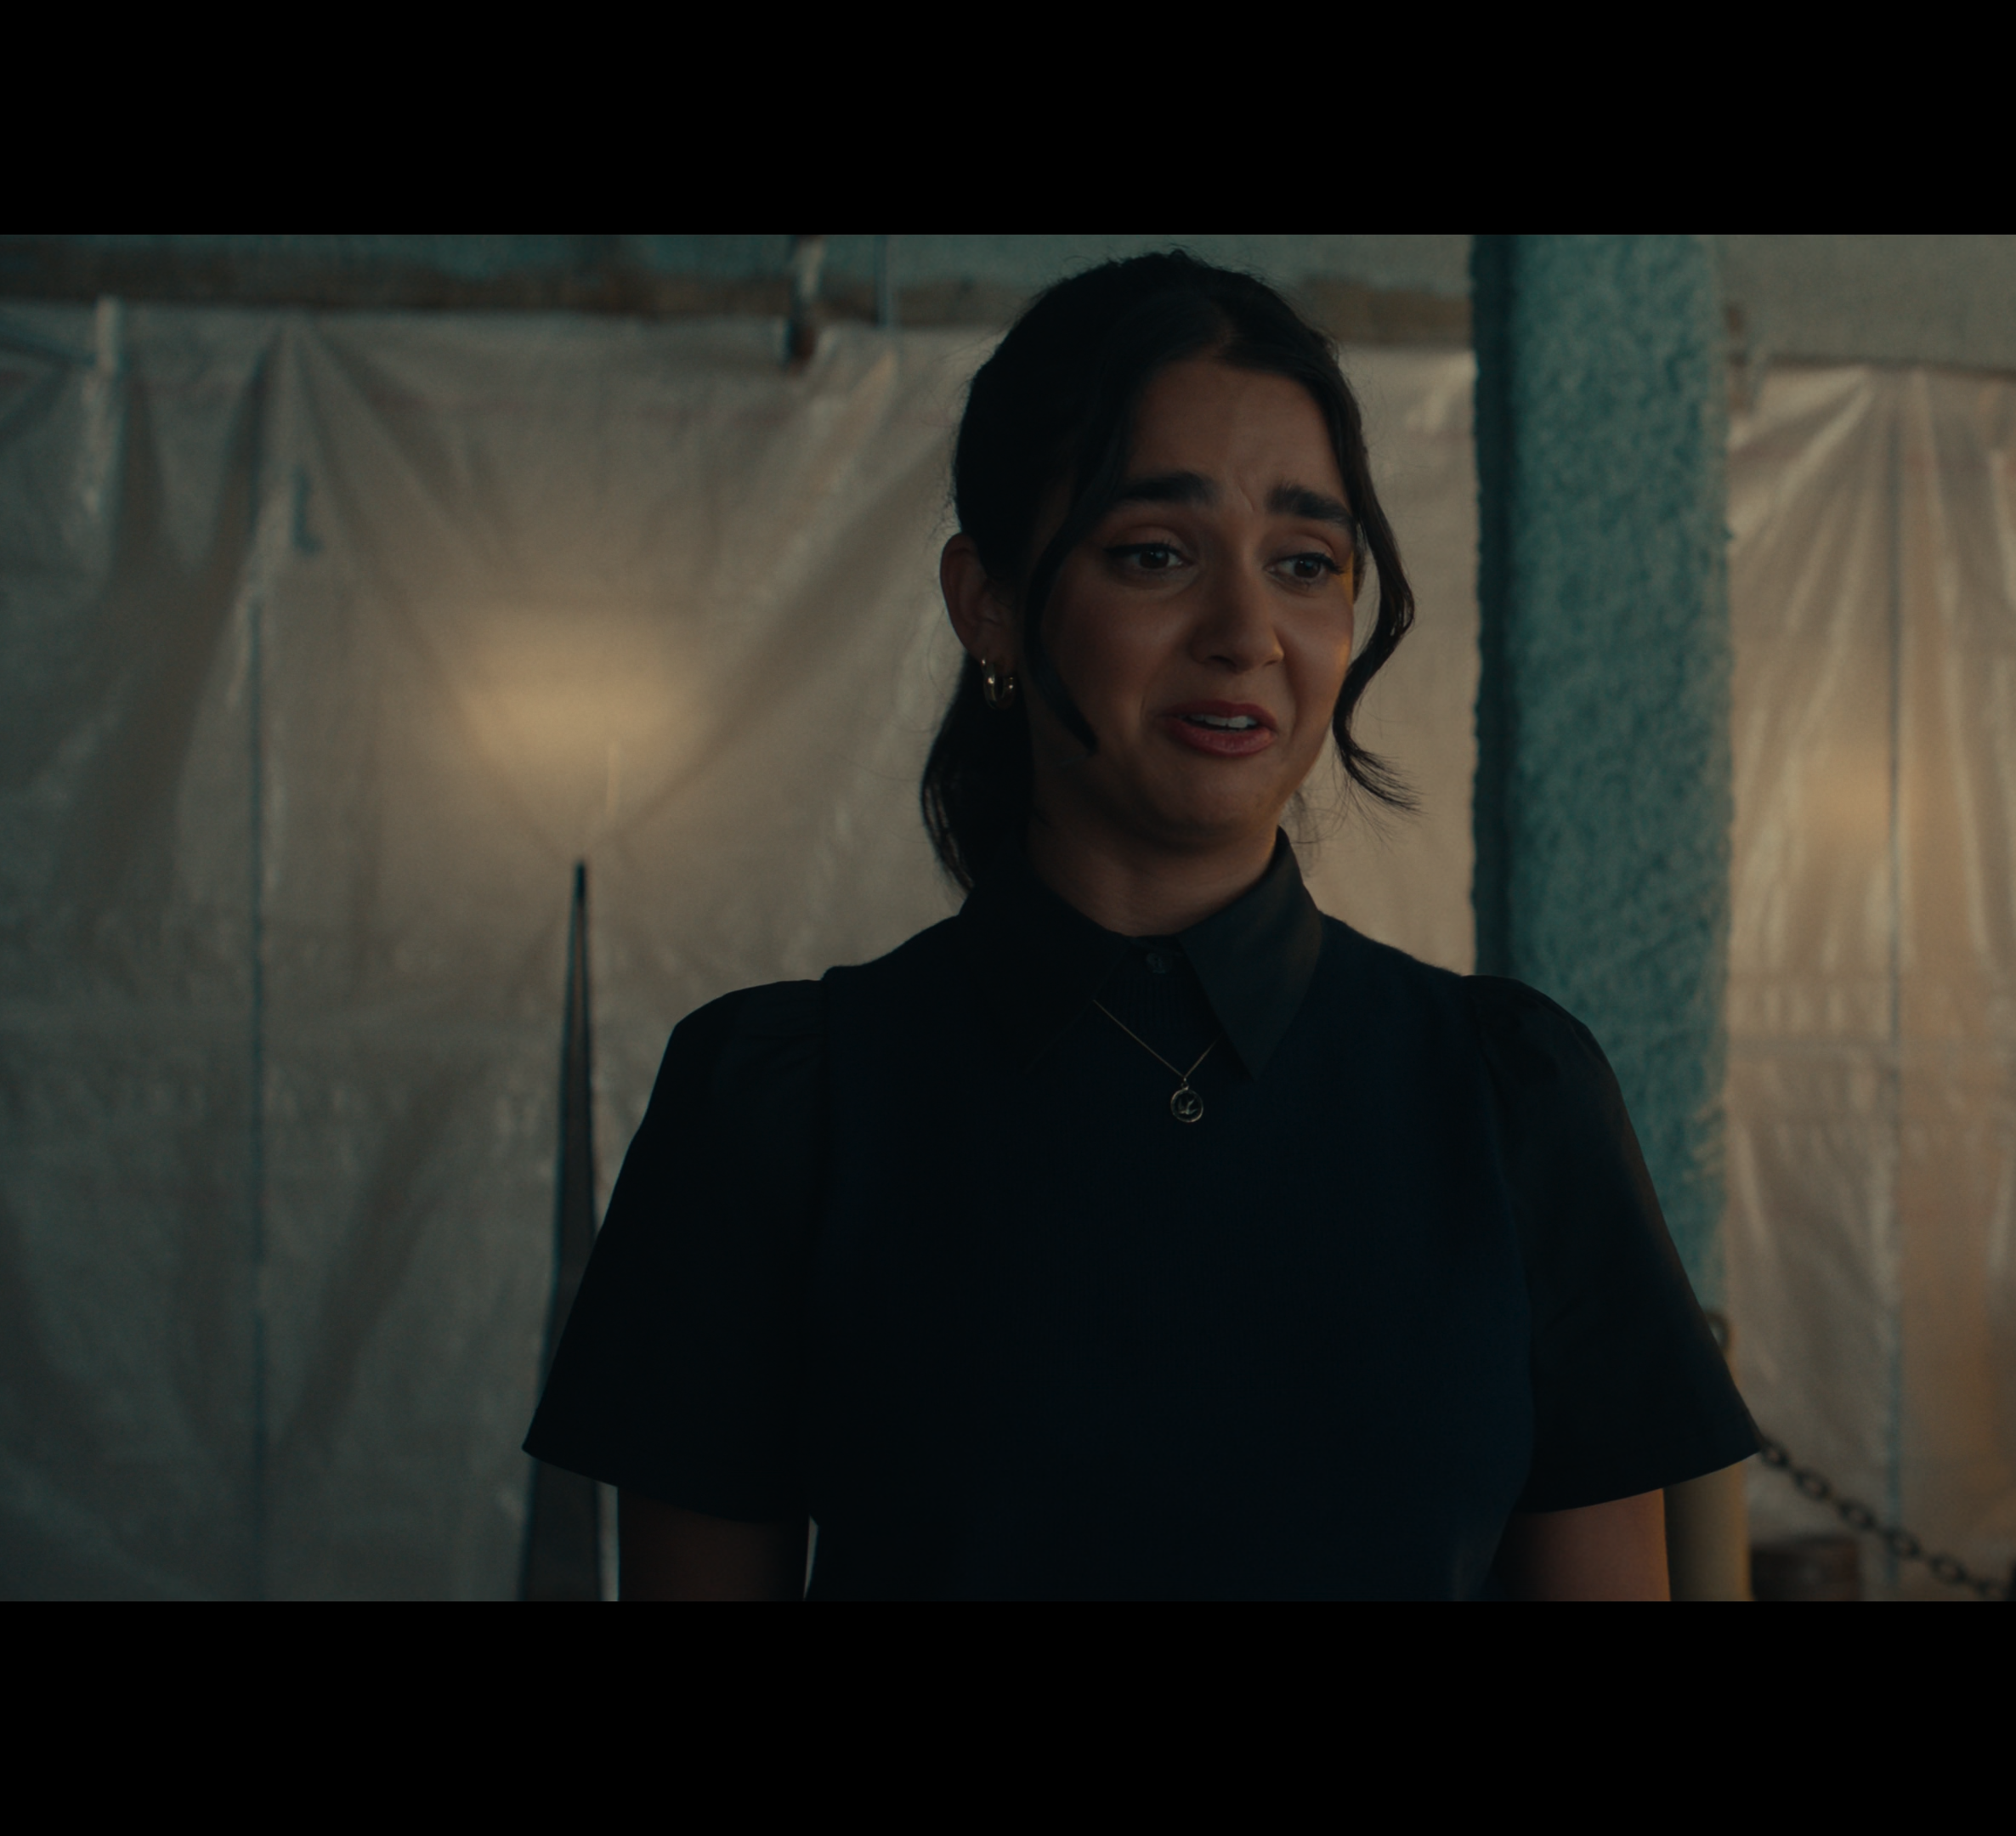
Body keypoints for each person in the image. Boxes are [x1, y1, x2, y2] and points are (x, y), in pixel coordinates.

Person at [523, 252, 1755, 1599]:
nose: (1247, 632)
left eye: (1305, 562)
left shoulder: (1511, 1100)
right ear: (988, 601)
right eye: (1156, 553)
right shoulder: (780, 1106)